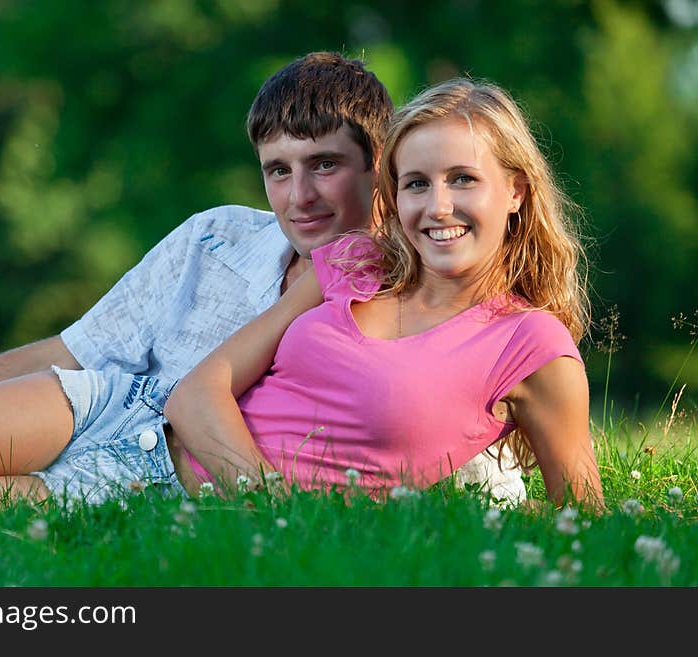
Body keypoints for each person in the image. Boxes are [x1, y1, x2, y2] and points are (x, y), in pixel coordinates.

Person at [0, 55, 525, 506]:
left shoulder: (402, 291)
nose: (299, 195)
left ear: (382, 166)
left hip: (142, 468)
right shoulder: (214, 236)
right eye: (278, 170)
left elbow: (440, 414)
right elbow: (71, 352)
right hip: (93, 403)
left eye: (325, 165)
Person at [164, 77, 604, 508]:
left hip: (191, 507)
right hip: (138, 443)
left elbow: (584, 517)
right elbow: (195, 394)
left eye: (463, 179)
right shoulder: (357, 262)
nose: (437, 207)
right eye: (416, 183)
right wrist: (273, 506)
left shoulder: (530, 344)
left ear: (516, 192)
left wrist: (277, 521)